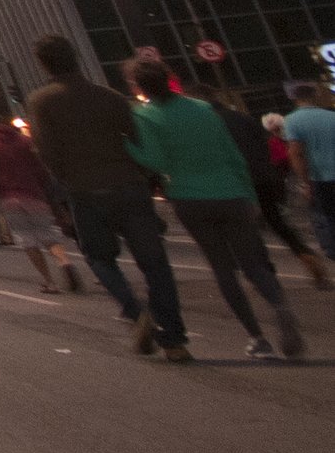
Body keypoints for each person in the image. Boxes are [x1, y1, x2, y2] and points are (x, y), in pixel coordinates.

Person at [127, 52, 305, 361]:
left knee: (222, 268)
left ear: (138, 86)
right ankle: (280, 307)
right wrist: (249, 197)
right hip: (232, 194)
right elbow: (233, 156)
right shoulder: (203, 108)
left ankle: (257, 337)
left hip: (189, 197)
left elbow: (155, 161)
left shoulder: (145, 116)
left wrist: (128, 146)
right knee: (254, 264)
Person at [24, 35, 186, 358]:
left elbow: (47, 152)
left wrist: (65, 184)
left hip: (85, 190)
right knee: (155, 263)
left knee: (99, 257)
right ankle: (175, 341)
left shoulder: (42, 101)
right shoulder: (111, 97)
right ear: (76, 57)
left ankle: (134, 311)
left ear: (43, 64)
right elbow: (136, 142)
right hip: (129, 185)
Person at [0, 111, 80, 294]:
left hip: (8, 196)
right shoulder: (22, 139)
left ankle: (49, 281)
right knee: (46, 232)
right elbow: (40, 167)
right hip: (34, 193)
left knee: (28, 239)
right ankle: (64, 261)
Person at [241, 108, 332, 289]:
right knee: (277, 221)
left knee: (246, 228)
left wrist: (305, 182)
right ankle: (305, 254)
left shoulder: (291, 124)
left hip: (243, 181)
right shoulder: (245, 120)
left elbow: (292, 154)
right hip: (265, 177)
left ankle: (264, 274)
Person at [286, 81, 335, 263]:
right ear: (314, 97)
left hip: (319, 176)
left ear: (296, 100)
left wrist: (304, 182)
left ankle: (332, 251)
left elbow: (296, 153)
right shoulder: (331, 116)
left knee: (324, 215)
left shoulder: (293, 120)